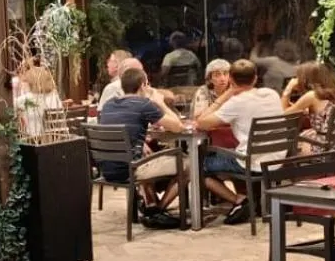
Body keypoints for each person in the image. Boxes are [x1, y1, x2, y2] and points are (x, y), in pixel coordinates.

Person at [195, 58, 285, 225]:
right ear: (256, 78)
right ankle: (246, 199)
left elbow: (201, 122)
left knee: (198, 166)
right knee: (233, 152)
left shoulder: (236, 103)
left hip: (252, 163)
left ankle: (239, 200)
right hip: (278, 159)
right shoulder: (272, 94)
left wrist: (228, 93)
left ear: (231, 79)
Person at [98, 66, 185, 211]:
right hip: (130, 170)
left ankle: (151, 204)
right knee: (187, 164)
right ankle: (158, 210)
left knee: (146, 154)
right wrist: (159, 102)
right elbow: (178, 127)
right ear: (143, 85)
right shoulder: (143, 104)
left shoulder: (108, 105)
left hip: (107, 169)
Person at [282, 61, 335, 158]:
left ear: (305, 79)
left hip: (328, 152)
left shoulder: (312, 96)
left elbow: (284, 115)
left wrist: (288, 89)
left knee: (291, 145)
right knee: (305, 135)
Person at [14, 65, 64, 138]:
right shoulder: (55, 97)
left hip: (34, 141)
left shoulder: (24, 99)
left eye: (26, 81)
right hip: (57, 140)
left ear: (31, 83)